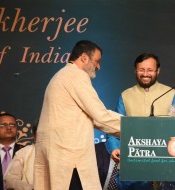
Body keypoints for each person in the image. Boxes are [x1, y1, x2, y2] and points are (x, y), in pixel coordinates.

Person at [34, 40, 121, 190]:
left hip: (60, 156)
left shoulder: (62, 75)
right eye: (97, 61)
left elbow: (93, 118)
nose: (98, 67)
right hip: (69, 159)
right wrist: (136, 127)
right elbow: (101, 116)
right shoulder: (76, 75)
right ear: (84, 58)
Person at [105, 53, 175, 190]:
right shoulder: (125, 95)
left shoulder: (172, 94)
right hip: (132, 168)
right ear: (135, 71)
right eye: (141, 70)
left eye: (150, 70)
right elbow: (114, 127)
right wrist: (114, 148)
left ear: (158, 71)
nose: (145, 74)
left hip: (164, 167)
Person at [4, 119, 38, 190]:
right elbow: (10, 179)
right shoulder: (24, 152)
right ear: (34, 135)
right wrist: (29, 188)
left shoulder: (64, 153)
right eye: (41, 133)